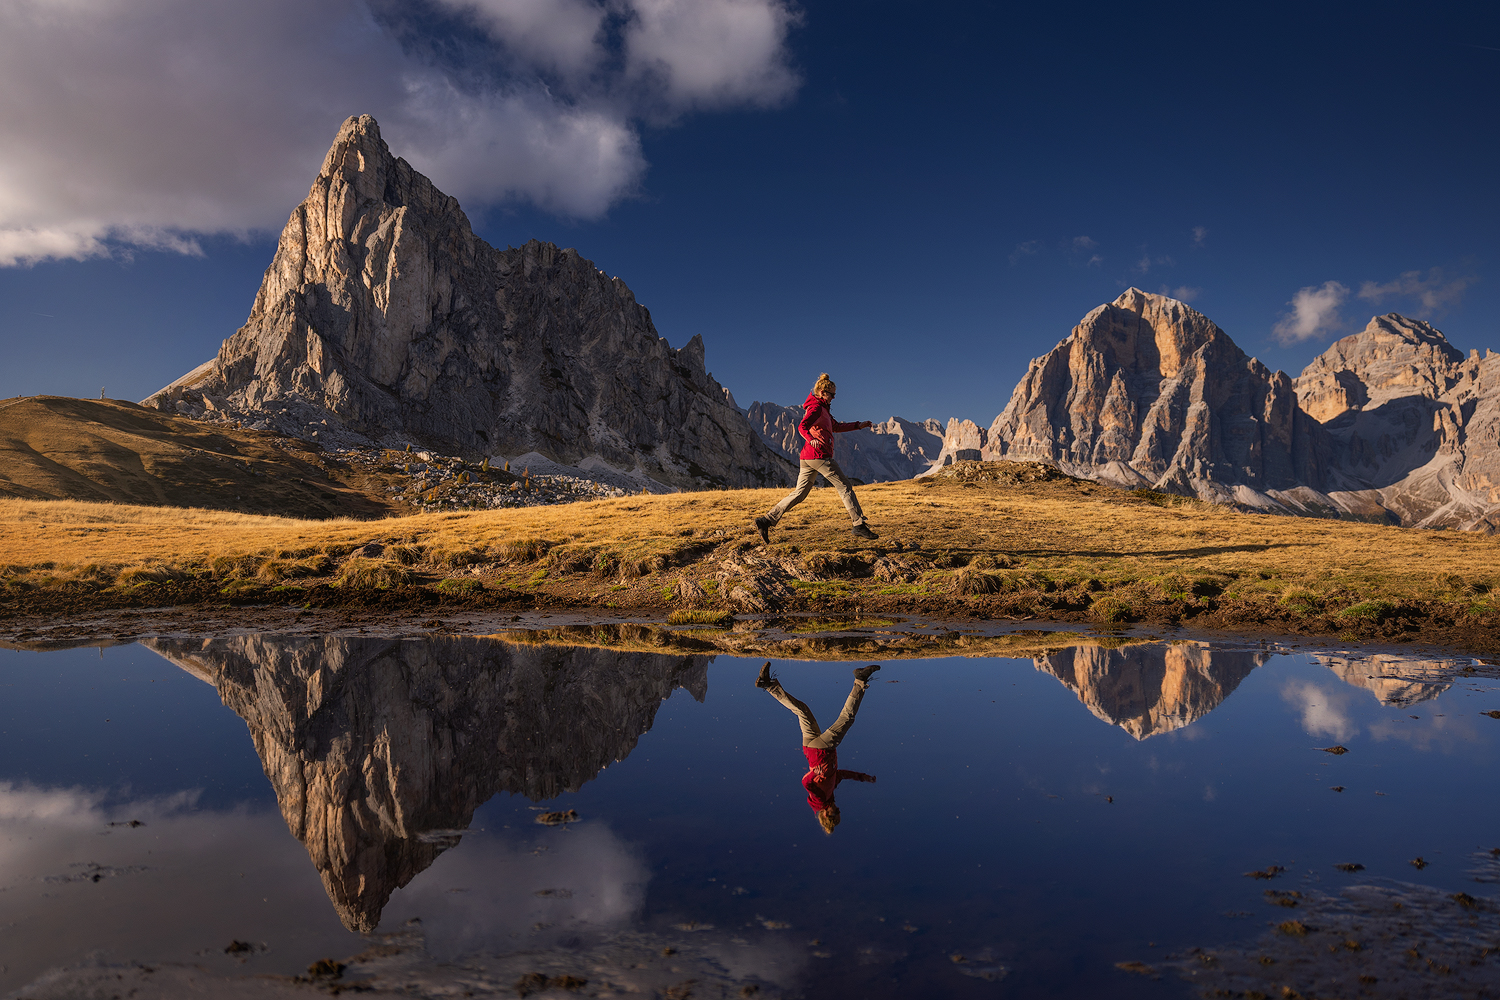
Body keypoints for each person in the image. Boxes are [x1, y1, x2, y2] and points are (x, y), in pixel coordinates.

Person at [756, 661, 880, 834]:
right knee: (802, 710)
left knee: (847, 719)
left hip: (822, 750)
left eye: (835, 812)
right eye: (839, 811)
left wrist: (815, 772)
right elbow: (841, 775)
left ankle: (860, 680)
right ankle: (768, 685)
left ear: (826, 814)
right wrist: (862, 777)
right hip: (811, 748)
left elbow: (806, 782)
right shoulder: (829, 794)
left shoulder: (820, 800)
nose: (837, 808)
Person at [755, 373, 878, 541]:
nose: (834, 398)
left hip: (808, 458)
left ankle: (766, 520)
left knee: (799, 493)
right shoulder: (816, 408)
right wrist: (811, 439)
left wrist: (859, 425)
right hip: (819, 455)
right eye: (832, 394)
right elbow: (802, 426)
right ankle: (858, 524)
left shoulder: (823, 409)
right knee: (844, 486)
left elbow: (836, 426)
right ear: (822, 392)